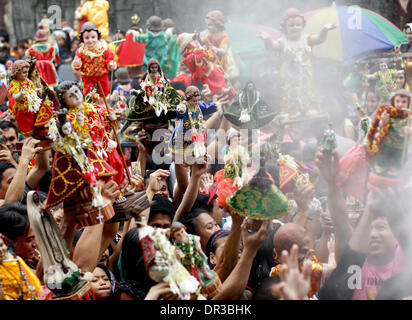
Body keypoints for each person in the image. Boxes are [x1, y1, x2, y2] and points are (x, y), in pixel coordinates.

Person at [259, 8, 336, 116]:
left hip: (305, 76)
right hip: (290, 78)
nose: (295, 27)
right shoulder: (282, 42)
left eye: (298, 24)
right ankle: (291, 111)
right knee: (290, 93)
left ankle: (307, 108)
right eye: (291, 25)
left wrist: (324, 30)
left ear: (303, 25)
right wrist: (267, 39)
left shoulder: (306, 39)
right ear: (285, 27)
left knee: (306, 91)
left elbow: (319, 39)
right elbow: (272, 46)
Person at [72, 22, 117, 97]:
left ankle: (104, 105)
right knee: (88, 93)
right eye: (87, 38)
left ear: (97, 37)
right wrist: (77, 63)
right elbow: (77, 63)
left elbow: (109, 57)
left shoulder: (103, 48)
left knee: (104, 92)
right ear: (82, 39)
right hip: (87, 76)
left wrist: (110, 64)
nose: (90, 40)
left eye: (93, 37)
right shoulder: (81, 51)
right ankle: (90, 106)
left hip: (102, 75)